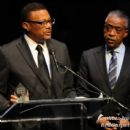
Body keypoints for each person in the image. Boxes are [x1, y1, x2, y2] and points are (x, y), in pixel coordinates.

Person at [0, 2, 77, 130]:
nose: (48, 26)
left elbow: (67, 88)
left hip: (58, 124)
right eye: (42, 23)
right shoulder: (7, 52)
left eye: (50, 21)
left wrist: (77, 100)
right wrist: (9, 106)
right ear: (26, 25)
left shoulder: (61, 48)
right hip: (25, 124)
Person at [76, 10, 130, 130]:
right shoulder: (88, 56)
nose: (111, 33)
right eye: (107, 28)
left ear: (125, 33)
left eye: (117, 29)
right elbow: (81, 92)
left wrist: (128, 119)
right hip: (95, 125)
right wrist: (98, 118)